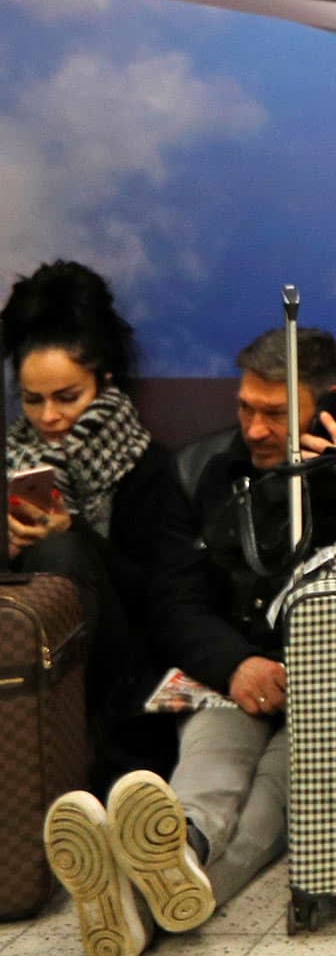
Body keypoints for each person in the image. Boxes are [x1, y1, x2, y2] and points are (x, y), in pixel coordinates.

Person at [40, 324, 336, 956]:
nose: (255, 429)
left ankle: (136, 895)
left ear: (324, 406)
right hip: (233, 676)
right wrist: (234, 663)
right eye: (245, 408)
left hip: (329, 688)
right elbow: (174, 602)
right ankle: (177, 843)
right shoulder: (206, 476)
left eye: (275, 414)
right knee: (213, 765)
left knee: (280, 790)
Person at [4, 261, 167, 787]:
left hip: (119, 672)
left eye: (67, 397)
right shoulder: (12, 457)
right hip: (23, 659)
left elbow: (159, 593)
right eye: (33, 400)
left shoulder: (143, 463)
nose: (49, 416)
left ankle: (79, 767)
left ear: (104, 381)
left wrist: (73, 531)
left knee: (61, 556)